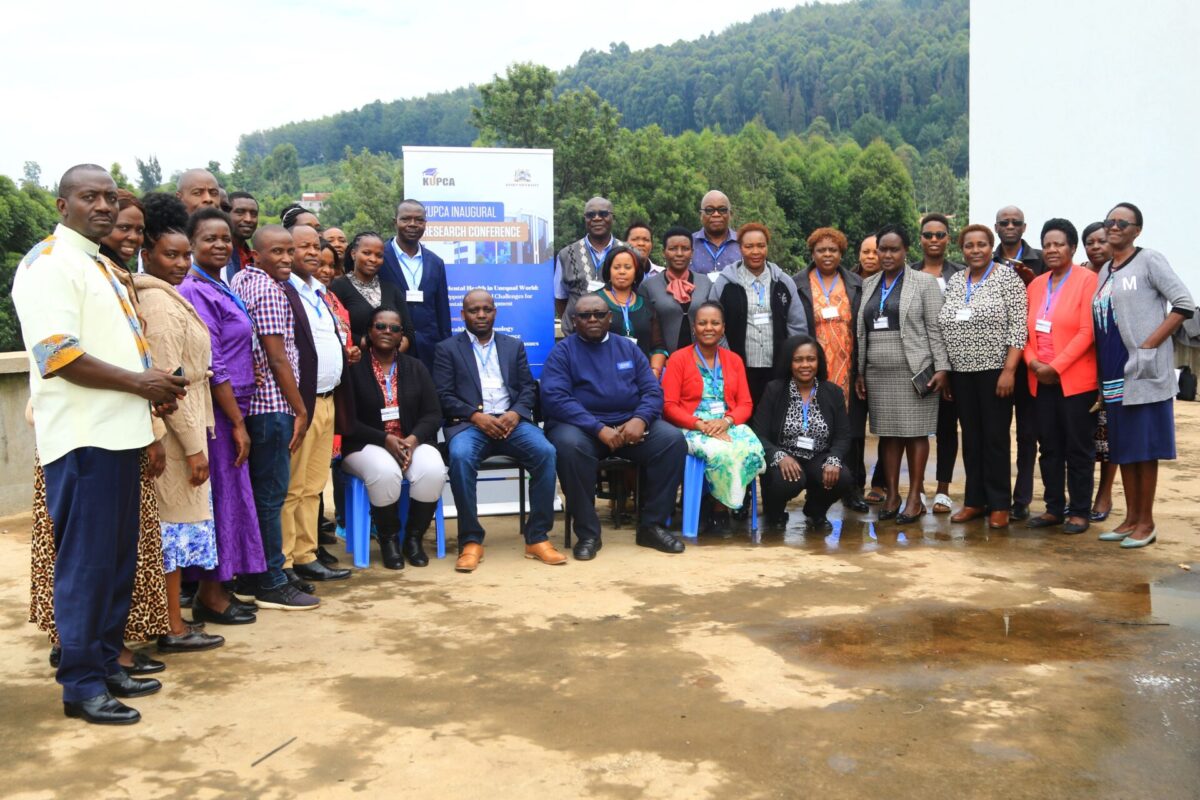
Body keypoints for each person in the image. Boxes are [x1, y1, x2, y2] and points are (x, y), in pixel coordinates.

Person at [12, 164, 188, 724]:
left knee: (115, 563)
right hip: (84, 441)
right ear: (62, 205)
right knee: (85, 567)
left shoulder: (97, 265)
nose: (105, 207)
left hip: (123, 434)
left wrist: (151, 387)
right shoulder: (48, 265)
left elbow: (114, 346)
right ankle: (81, 685)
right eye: (90, 197)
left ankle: (107, 661)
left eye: (110, 197)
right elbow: (57, 356)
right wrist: (141, 382)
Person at [133, 209, 229, 648]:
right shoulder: (156, 301)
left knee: (176, 530)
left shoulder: (171, 295)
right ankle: (172, 626)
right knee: (172, 531)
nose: (180, 263)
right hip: (175, 432)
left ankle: (172, 620)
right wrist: (193, 447)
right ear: (147, 254)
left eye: (184, 255)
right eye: (169, 254)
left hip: (187, 419)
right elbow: (170, 380)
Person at [174, 200, 269, 623]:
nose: (219, 245)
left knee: (232, 499)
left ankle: (220, 587)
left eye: (225, 239)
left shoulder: (220, 284)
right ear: (191, 244)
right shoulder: (194, 290)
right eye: (208, 238)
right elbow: (214, 363)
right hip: (216, 414)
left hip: (238, 405)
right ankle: (210, 596)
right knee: (222, 502)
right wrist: (235, 423)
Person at [541, 294, 688, 560]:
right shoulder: (562, 352)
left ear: (610, 317)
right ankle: (588, 534)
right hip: (582, 428)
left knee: (672, 441)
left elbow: (652, 391)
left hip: (629, 425)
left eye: (599, 314)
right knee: (569, 447)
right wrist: (597, 428)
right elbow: (556, 399)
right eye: (585, 316)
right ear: (574, 321)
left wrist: (640, 419)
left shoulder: (628, 348)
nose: (593, 319)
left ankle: (651, 526)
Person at [434, 290, 565, 571]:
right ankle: (471, 540)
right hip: (469, 425)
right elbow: (443, 395)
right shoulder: (447, 349)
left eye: (486, 309)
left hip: (511, 423)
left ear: (495, 312)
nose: (481, 315)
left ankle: (537, 537)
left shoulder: (512, 345)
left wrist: (516, 413)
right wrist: (475, 416)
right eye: (474, 310)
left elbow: (528, 388)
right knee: (460, 457)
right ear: (463, 315)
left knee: (545, 452)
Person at [1092, 203, 1195, 548]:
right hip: (1113, 372)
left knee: (1144, 447)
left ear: (1137, 230)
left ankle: (1146, 522)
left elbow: (1183, 303)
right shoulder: (1106, 268)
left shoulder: (1150, 260)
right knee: (1124, 447)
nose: (1115, 226)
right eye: (1111, 221)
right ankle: (1130, 518)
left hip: (1143, 371)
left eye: (1124, 222)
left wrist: (1149, 344)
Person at [230, 225, 318, 609]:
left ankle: (253, 576)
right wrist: (300, 408)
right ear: (257, 254)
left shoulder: (242, 279)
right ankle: (271, 579)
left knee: (259, 496)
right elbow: (277, 356)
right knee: (271, 497)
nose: (286, 259)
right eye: (277, 252)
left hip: (256, 407)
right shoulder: (267, 289)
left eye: (289, 252)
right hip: (272, 408)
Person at [855, 224, 950, 525]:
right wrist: (859, 372)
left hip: (915, 370)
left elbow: (936, 329)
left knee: (916, 433)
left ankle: (914, 497)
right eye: (882, 249)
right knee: (888, 434)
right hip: (877, 373)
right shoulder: (869, 284)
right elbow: (863, 331)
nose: (887, 255)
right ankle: (892, 494)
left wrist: (943, 368)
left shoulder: (924, 283)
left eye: (894, 249)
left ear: (906, 250)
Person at [342, 306, 447, 570]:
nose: (387, 332)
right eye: (380, 326)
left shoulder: (416, 367)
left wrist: (412, 439)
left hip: (411, 440)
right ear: (369, 332)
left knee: (433, 469)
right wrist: (384, 439)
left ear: (402, 336)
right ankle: (388, 539)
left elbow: (433, 414)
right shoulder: (353, 369)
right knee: (385, 471)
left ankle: (413, 538)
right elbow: (347, 421)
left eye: (395, 328)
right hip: (365, 445)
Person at [937, 224, 1028, 529]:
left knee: (995, 438)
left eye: (981, 245)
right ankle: (975, 500)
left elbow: (1019, 328)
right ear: (961, 250)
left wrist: (1009, 370)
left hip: (995, 372)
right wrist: (947, 373)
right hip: (961, 373)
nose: (975, 250)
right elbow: (943, 326)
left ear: (991, 247)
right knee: (971, 439)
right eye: (969, 245)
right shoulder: (955, 281)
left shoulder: (1007, 278)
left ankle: (1000, 503)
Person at [281, 225, 351, 584]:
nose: (311, 252)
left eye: (315, 246)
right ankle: (285, 563)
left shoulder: (320, 293)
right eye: (302, 246)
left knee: (313, 487)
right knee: (292, 488)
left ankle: (307, 555)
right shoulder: (283, 290)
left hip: (327, 399)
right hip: (301, 404)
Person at [661, 301, 765, 531]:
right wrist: (700, 424)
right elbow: (669, 406)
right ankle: (718, 507)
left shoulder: (734, 360)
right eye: (703, 323)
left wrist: (726, 422)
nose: (709, 328)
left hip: (726, 422)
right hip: (689, 425)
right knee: (721, 451)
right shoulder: (678, 359)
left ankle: (721, 504)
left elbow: (745, 403)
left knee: (750, 448)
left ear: (723, 328)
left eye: (715, 323)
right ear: (694, 327)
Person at [1023, 219, 1098, 534]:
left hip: (1075, 381)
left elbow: (1087, 331)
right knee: (1049, 447)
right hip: (1040, 380)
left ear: (1072, 247)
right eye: (1047, 244)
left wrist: (1057, 367)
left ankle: (1079, 511)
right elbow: (1025, 332)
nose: (1052, 250)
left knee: (1078, 448)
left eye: (1059, 244)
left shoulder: (1088, 281)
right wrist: (1034, 363)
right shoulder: (1036, 284)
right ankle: (1054, 507)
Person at [793, 227, 866, 511]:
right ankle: (816, 493)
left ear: (841, 253)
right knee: (816, 427)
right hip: (813, 366)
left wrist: (860, 367)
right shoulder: (798, 282)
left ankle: (852, 488)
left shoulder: (856, 283)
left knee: (850, 429)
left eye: (832, 250)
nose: (827, 254)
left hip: (847, 364)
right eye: (821, 250)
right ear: (812, 253)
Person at [753, 336, 854, 529]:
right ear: (789, 363)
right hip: (784, 459)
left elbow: (843, 435)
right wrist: (779, 456)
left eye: (811, 359)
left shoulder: (833, 392)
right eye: (798, 360)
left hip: (818, 456)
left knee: (843, 477)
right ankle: (774, 513)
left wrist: (833, 459)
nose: (805, 365)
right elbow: (759, 433)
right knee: (788, 480)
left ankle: (816, 511)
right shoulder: (774, 390)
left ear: (819, 362)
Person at [710, 222, 808, 405]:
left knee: (774, 417)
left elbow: (797, 326)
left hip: (777, 367)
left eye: (761, 246)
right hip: (738, 367)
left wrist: (792, 360)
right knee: (743, 415)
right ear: (740, 248)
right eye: (749, 246)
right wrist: (728, 358)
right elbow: (713, 324)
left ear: (767, 247)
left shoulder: (783, 282)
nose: (755, 251)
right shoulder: (725, 283)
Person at [912, 213, 965, 515]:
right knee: (915, 428)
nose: (934, 240)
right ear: (920, 239)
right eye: (928, 235)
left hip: (954, 363)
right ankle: (916, 490)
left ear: (948, 238)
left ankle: (943, 490)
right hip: (918, 362)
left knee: (947, 426)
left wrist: (947, 365)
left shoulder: (960, 274)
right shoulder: (908, 274)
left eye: (940, 234)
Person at [993, 205, 1044, 520]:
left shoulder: (1040, 260)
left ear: (1024, 227)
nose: (1010, 226)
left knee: (1028, 434)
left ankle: (1021, 499)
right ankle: (995, 496)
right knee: (996, 433)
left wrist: (1031, 280)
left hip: (1030, 360)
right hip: (994, 361)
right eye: (1004, 222)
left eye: (1016, 222)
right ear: (996, 227)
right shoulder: (988, 259)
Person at [378, 199, 451, 369]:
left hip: (429, 350)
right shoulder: (380, 257)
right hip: (391, 346)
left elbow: (442, 311)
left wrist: (445, 348)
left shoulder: (436, 262)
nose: (413, 224)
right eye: (405, 219)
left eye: (419, 220)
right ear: (394, 221)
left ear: (425, 224)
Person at [1080, 220, 1119, 521]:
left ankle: (1104, 494)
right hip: (1078, 365)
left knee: (1108, 434)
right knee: (1080, 436)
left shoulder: (1122, 274)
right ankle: (1078, 493)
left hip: (1111, 364)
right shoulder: (1079, 274)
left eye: (1101, 241)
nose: (1095, 247)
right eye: (1089, 242)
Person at [330, 231, 415, 351]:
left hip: (391, 364)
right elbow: (334, 328)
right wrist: (368, 347)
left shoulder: (392, 289)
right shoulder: (337, 287)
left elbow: (408, 331)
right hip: (355, 363)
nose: (373, 259)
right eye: (366, 253)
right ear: (354, 254)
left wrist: (390, 355)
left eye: (379, 255)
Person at [639, 225, 716, 354]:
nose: (679, 254)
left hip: (702, 358)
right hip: (664, 360)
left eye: (685, 249)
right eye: (673, 249)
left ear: (692, 252)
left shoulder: (705, 282)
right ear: (664, 252)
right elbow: (645, 328)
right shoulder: (649, 286)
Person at [594, 245, 668, 376]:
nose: (622, 272)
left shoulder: (647, 305)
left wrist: (654, 372)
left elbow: (658, 347)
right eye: (616, 267)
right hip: (601, 377)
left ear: (636, 273)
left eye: (628, 267)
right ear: (609, 271)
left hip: (641, 378)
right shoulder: (594, 302)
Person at [555, 196, 623, 333]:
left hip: (617, 335)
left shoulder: (627, 253)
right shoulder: (566, 254)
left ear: (612, 218)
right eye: (590, 215)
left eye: (603, 214)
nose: (597, 218)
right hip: (577, 337)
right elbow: (560, 298)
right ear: (585, 219)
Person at [691, 190, 741, 275]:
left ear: (731, 215)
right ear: (701, 215)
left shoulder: (743, 243)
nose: (716, 214)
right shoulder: (688, 244)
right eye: (709, 210)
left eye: (722, 210)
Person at [99, 190, 144, 270]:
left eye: (139, 230)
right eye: (124, 228)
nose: (134, 237)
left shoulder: (117, 272)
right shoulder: (87, 268)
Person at [225, 191, 258, 282]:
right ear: (226, 215)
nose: (248, 219)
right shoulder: (220, 257)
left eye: (253, 214)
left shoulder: (255, 257)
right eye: (240, 213)